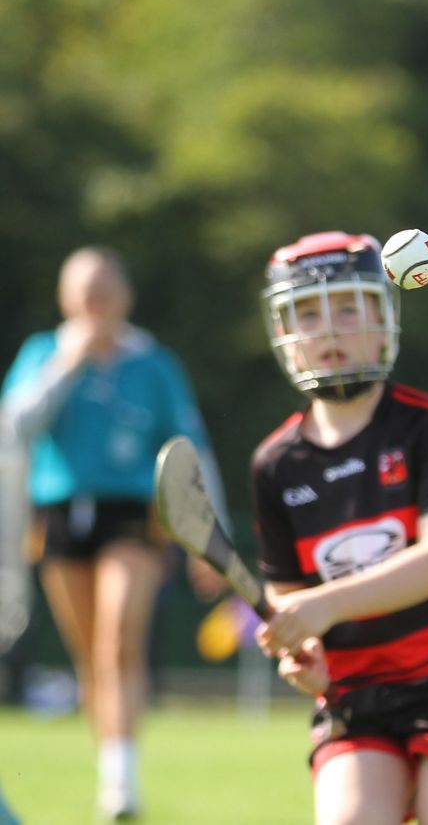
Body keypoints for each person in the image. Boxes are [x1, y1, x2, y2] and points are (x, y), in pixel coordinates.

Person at [249, 231, 428, 825]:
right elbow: (284, 588)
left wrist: (322, 605)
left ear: (383, 315)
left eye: (347, 307)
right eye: (308, 313)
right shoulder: (273, 463)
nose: (330, 330)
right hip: (352, 685)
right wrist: (302, 645)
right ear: (286, 334)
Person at [0, 245, 225, 821]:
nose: (94, 302)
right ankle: (110, 770)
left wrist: (210, 536)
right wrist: (66, 368)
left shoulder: (153, 364)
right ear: (65, 298)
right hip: (59, 517)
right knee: (90, 659)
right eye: (83, 291)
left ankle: (124, 784)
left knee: (117, 640)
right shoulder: (44, 353)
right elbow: (15, 428)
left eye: (104, 289)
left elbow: (191, 451)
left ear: (124, 295)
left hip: (132, 515)